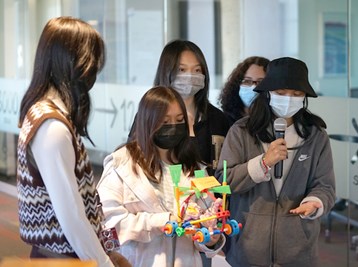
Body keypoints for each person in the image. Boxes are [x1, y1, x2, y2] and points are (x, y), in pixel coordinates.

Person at [16, 17, 130, 267]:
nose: (93, 74)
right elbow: (73, 218)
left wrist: (106, 253)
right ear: (72, 63)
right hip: (63, 259)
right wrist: (104, 263)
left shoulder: (44, 114)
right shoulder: (51, 126)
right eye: (90, 64)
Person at [215, 57, 336, 267]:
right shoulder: (241, 131)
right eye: (281, 93)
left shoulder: (316, 135)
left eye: (296, 94)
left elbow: (325, 186)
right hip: (247, 248)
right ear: (268, 92)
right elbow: (224, 181)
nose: (288, 99)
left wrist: (314, 203)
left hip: (298, 251)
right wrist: (262, 163)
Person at [97, 86, 225, 267]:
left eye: (179, 120)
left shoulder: (194, 167)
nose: (173, 127)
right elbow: (107, 224)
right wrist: (163, 221)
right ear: (148, 122)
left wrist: (210, 237)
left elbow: (204, 227)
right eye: (165, 122)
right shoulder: (122, 164)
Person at [148, 39, 230, 176]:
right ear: (166, 71)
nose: (190, 76)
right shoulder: (151, 115)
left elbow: (224, 168)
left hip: (208, 196)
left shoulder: (217, 118)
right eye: (182, 69)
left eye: (197, 70)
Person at [219, 56, 270, 125]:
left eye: (260, 82)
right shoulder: (222, 120)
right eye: (247, 81)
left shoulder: (274, 121)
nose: (253, 87)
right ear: (237, 84)